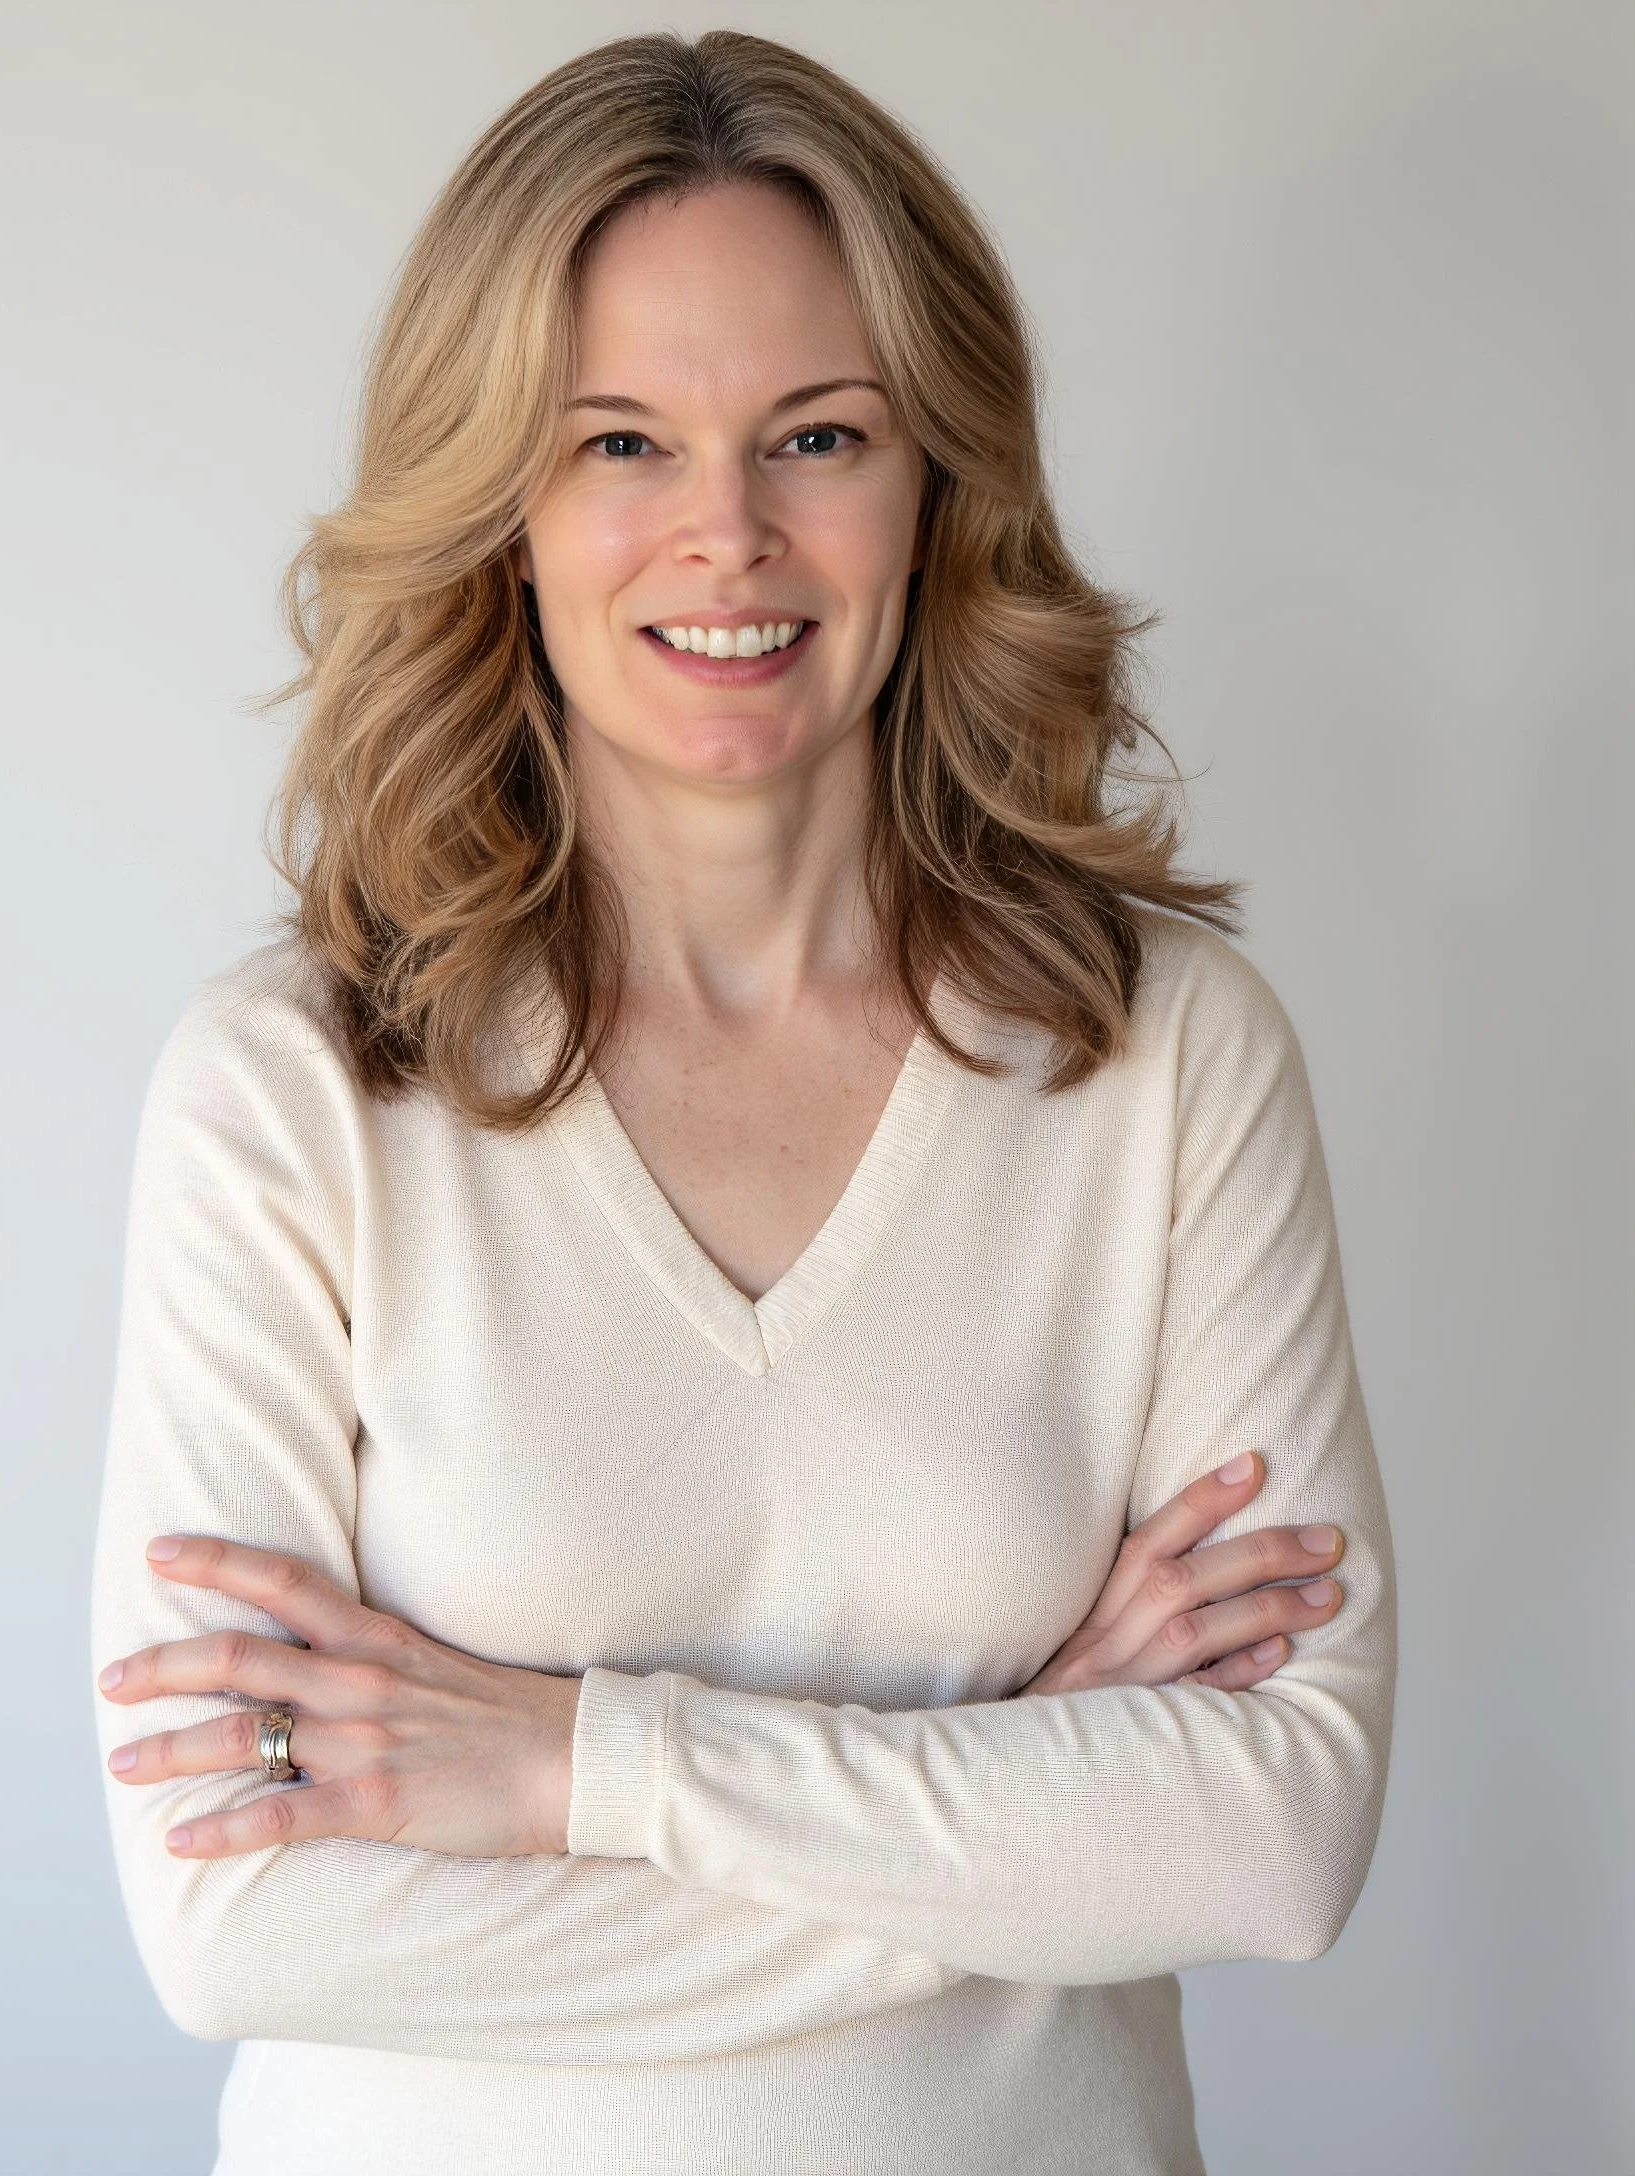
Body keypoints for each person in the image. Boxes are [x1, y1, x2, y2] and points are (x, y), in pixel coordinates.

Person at [88, 28, 1396, 2175]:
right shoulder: (293, 1093)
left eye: (814, 434)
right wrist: (1029, 1794)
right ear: (501, 506)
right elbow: (234, 1918)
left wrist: (580, 1770)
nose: (724, 533)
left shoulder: (1162, 1054)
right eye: (620, 439)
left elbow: (1269, 1834)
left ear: (932, 482)